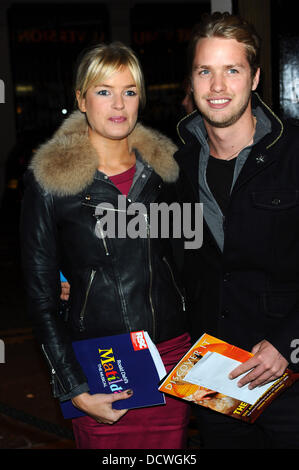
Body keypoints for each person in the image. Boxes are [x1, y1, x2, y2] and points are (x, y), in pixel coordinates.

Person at [20, 41, 191, 449]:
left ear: (140, 101)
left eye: (129, 91)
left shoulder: (167, 173)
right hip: (102, 363)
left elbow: (192, 262)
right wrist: (72, 386)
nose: (118, 104)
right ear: (81, 99)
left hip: (171, 355)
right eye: (103, 91)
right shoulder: (50, 182)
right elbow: (40, 299)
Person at [174, 12, 299, 449]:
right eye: (205, 71)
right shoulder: (176, 166)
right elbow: (154, 253)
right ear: (190, 81)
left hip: (290, 379)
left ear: (255, 78)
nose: (219, 86)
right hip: (213, 380)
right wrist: (81, 276)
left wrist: (288, 344)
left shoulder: (293, 154)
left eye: (232, 70)